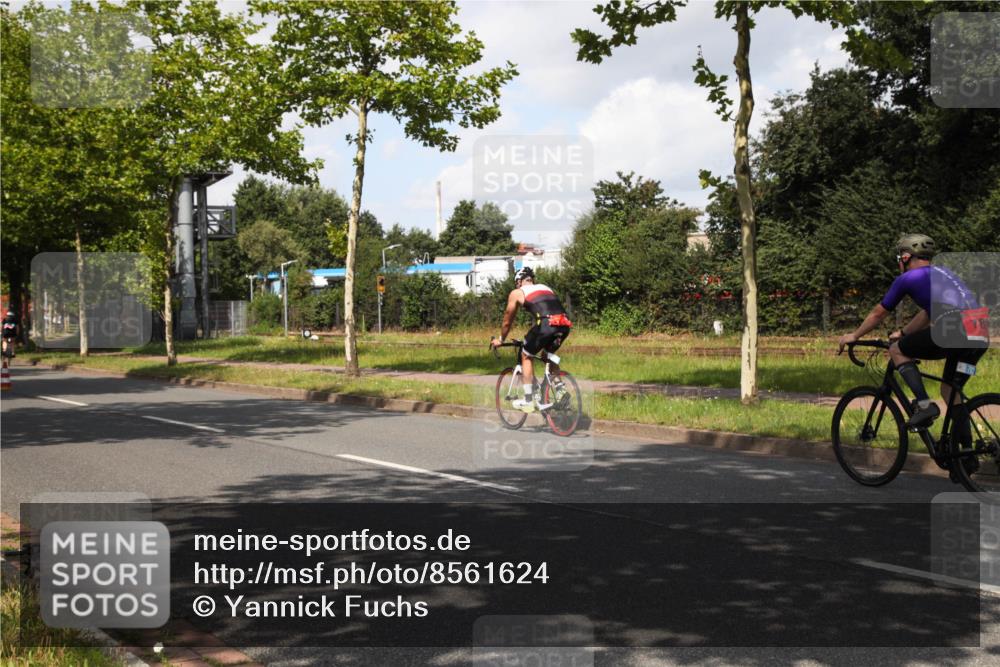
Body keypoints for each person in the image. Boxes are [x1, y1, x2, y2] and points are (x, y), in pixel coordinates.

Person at [837, 234, 989, 441]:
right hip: (979, 336)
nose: (900, 262)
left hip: (955, 331)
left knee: (897, 350)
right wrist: (904, 332)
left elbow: (879, 313)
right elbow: (928, 313)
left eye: (900, 258)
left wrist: (854, 335)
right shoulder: (944, 273)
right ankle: (965, 459)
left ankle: (924, 405)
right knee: (950, 392)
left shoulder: (908, 278)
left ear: (906, 257)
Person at [490, 267, 573, 412]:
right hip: (564, 324)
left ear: (519, 281)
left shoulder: (517, 292)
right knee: (548, 356)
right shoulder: (546, 288)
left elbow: (507, 321)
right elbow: (548, 309)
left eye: (517, 283)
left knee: (526, 355)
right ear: (531, 280)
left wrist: (501, 339)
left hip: (547, 324)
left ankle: (528, 400)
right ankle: (560, 390)